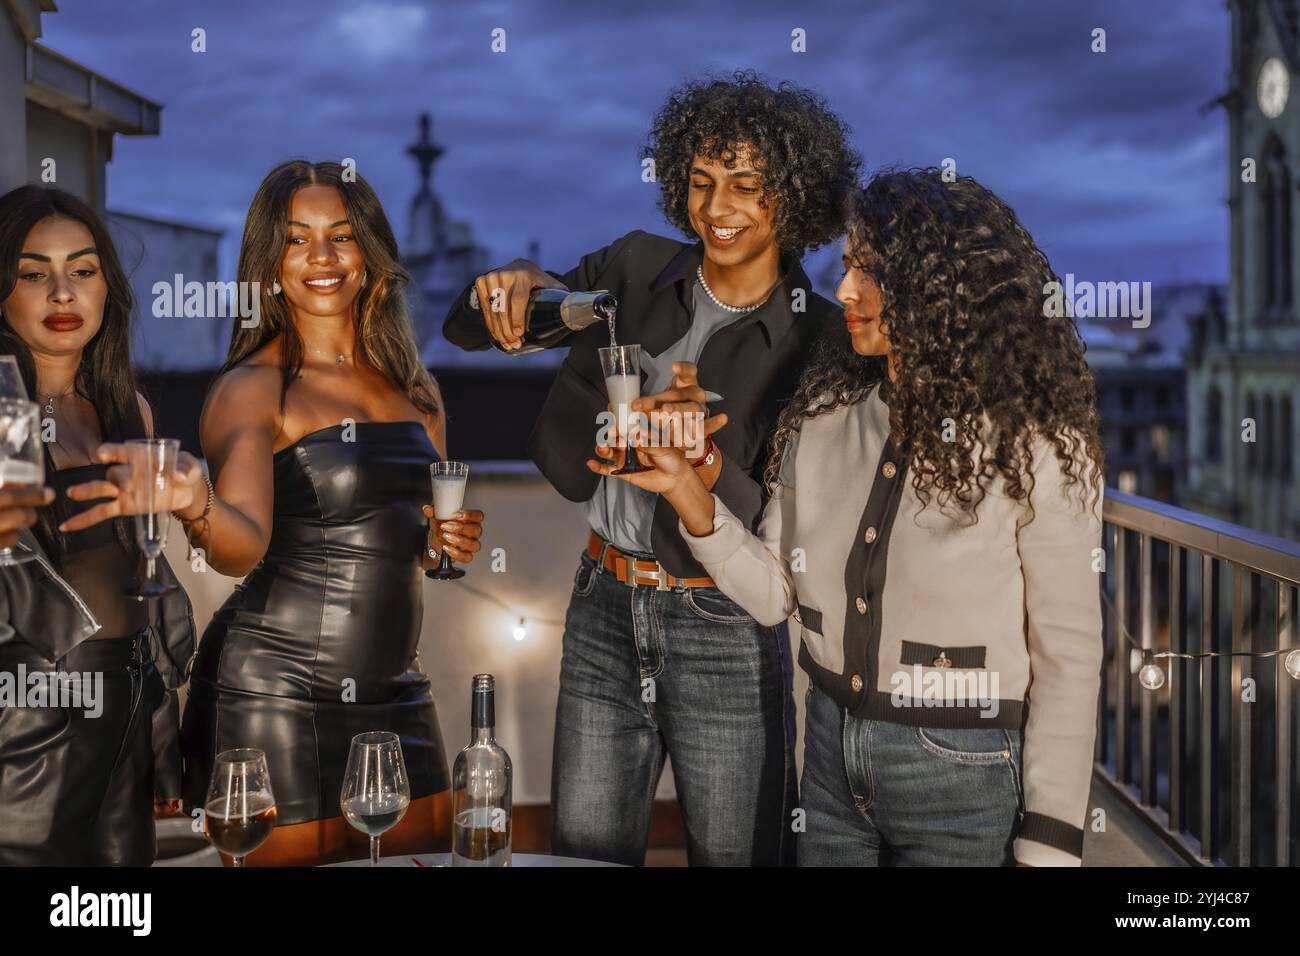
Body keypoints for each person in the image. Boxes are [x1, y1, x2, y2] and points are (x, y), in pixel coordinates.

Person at [596, 170, 1106, 866]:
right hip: (831, 762)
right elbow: (777, 594)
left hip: (963, 769)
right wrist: (689, 494)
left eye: (871, 271)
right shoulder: (824, 417)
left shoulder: (1037, 446)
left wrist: (1050, 841)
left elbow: (1068, 655)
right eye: (847, 266)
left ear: (939, 287)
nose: (845, 292)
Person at [444, 71, 860, 865]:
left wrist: (697, 463)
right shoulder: (632, 269)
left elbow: (788, 525)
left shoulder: (822, 342)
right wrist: (515, 284)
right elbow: (468, 328)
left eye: (745, 185)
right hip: (602, 605)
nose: (717, 208)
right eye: (701, 183)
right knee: (585, 857)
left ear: (794, 196)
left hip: (727, 629)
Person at [176, 161, 485, 865]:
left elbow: (428, 551)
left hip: (397, 691)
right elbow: (237, 550)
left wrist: (445, 545)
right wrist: (196, 502)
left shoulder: (418, 390)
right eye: (298, 239)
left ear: (370, 253)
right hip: (271, 689)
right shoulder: (253, 388)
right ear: (270, 263)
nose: (323, 257)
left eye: (342, 236)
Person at [0, 185, 196, 865]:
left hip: (124, 715)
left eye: (82, 271)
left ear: (107, 287)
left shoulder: (127, 410)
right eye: (33, 274)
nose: (62, 293)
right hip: (20, 724)